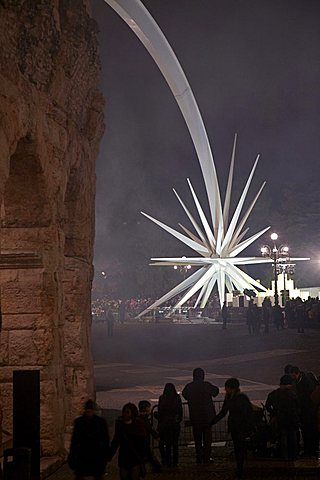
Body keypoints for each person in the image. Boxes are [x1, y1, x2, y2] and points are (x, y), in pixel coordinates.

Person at [211, 378, 253, 479]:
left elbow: (225, 412)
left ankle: (240, 468)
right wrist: (212, 421)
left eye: (227, 388)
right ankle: (240, 468)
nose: (225, 390)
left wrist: (212, 422)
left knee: (239, 448)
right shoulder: (235, 398)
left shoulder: (237, 398)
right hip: (236, 427)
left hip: (239, 426)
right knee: (238, 448)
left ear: (231, 388)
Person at [182, 368, 219, 464]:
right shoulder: (206, 385)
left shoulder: (189, 387)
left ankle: (199, 457)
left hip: (195, 417)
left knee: (197, 439)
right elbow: (216, 392)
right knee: (207, 439)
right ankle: (206, 458)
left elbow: (184, 394)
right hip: (207, 417)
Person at [68, 399, 110, 480]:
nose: (89, 411)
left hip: (95, 455)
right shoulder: (80, 422)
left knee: (96, 475)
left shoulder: (99, 422)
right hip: (84, 455)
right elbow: (74, 440)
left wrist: (105, 456)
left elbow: (105, 440)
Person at [109, 402, 147, 480]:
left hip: (134, 457)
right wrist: (109, 455)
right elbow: (116, 441)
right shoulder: (120, 425)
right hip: (124, 457)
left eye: (127, 412)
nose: (125, 414)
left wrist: (143, 456)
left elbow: (143, 443)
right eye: (124, 412)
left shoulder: (137, 426)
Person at [266, 375, 301, 460]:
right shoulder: (292, 394)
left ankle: (283, 455)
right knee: (292, 438)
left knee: (282, 438)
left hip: (280, 419)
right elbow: (298, 407)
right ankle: (293, 456)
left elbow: (267, 406)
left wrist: (274, 413)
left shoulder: (274, 394)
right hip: (292, 420)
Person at [290, 366, 319, 456]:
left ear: (297, 373)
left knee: (309, 431)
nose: (292, 378)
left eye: (293, 375)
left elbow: (310, 399)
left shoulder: (307, 383)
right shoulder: (299, 381)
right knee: (307, 431)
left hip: (308, 412)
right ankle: (309, 450)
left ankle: (311, 450)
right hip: (304, 412)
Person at [157, 383, 183, 468]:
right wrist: (178, 420)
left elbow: (160, 411)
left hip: (165, 424)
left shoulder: (162, 398)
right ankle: (175, 462)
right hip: (174, 424)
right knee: (175, 444)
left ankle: (168, 462)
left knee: (167, 444)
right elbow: (180, 410)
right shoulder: (177, 398)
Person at [138, 400, 162, 472]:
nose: (150, 409)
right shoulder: (144, 418)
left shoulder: (140, 417)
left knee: (146, 456)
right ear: (145, 408)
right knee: (149, 456)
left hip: (142, 441)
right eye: (149, 407)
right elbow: (149, 429)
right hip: (144, 441)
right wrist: (157, 436)